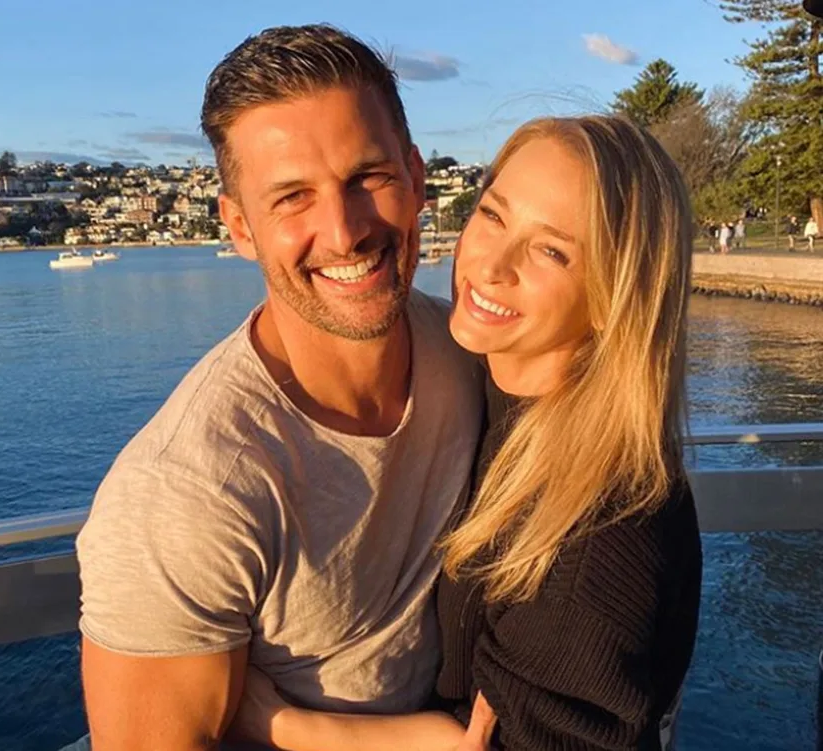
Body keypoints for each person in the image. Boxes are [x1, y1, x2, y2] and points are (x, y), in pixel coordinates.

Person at [231, 115, 703, 751]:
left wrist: (284, 724)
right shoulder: (487, 394)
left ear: (617, 295)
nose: (492, 264)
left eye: (552, 250)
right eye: (493, 215)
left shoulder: (599, 531)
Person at [72, 24, 483, 751]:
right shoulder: (185, 493)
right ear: (239, 227)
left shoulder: (471, 356)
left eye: (369, 178)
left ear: (417, 179)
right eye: (293, 197)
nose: (345, 231)